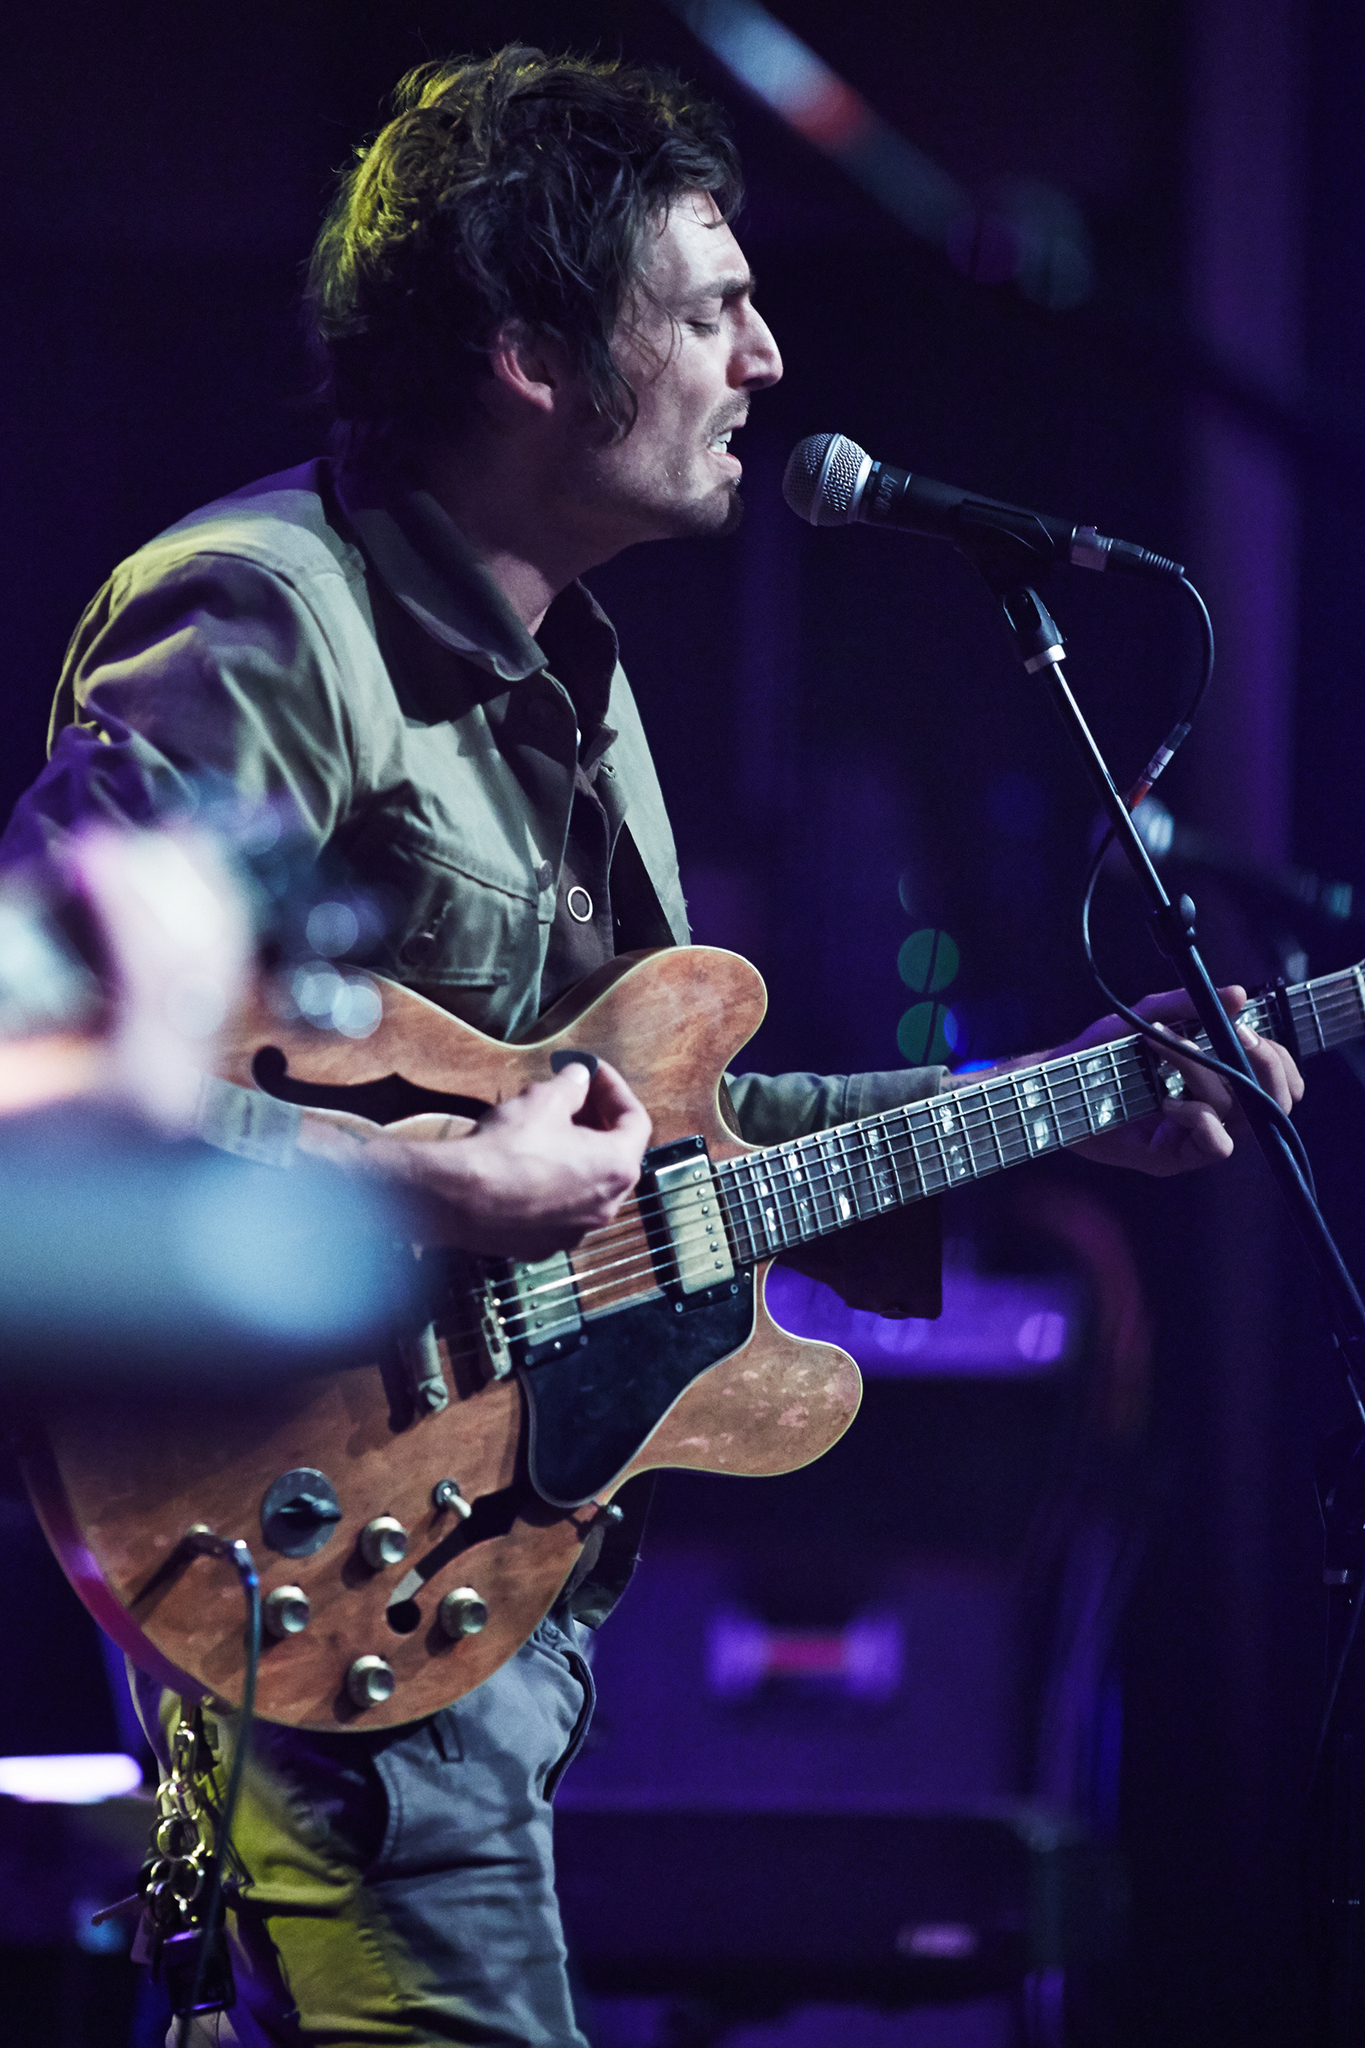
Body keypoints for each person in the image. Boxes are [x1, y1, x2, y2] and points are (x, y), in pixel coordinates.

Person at [1, 46, 1301, 2047]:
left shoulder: (578, 675)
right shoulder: (264, 618)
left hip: (473, 1599)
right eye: (710, 305)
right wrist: (433, 1175)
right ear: (532, 350)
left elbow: (651, 1146)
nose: (768, 358)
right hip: (296, 1563)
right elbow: (42, 1073)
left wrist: (1065, 1112)